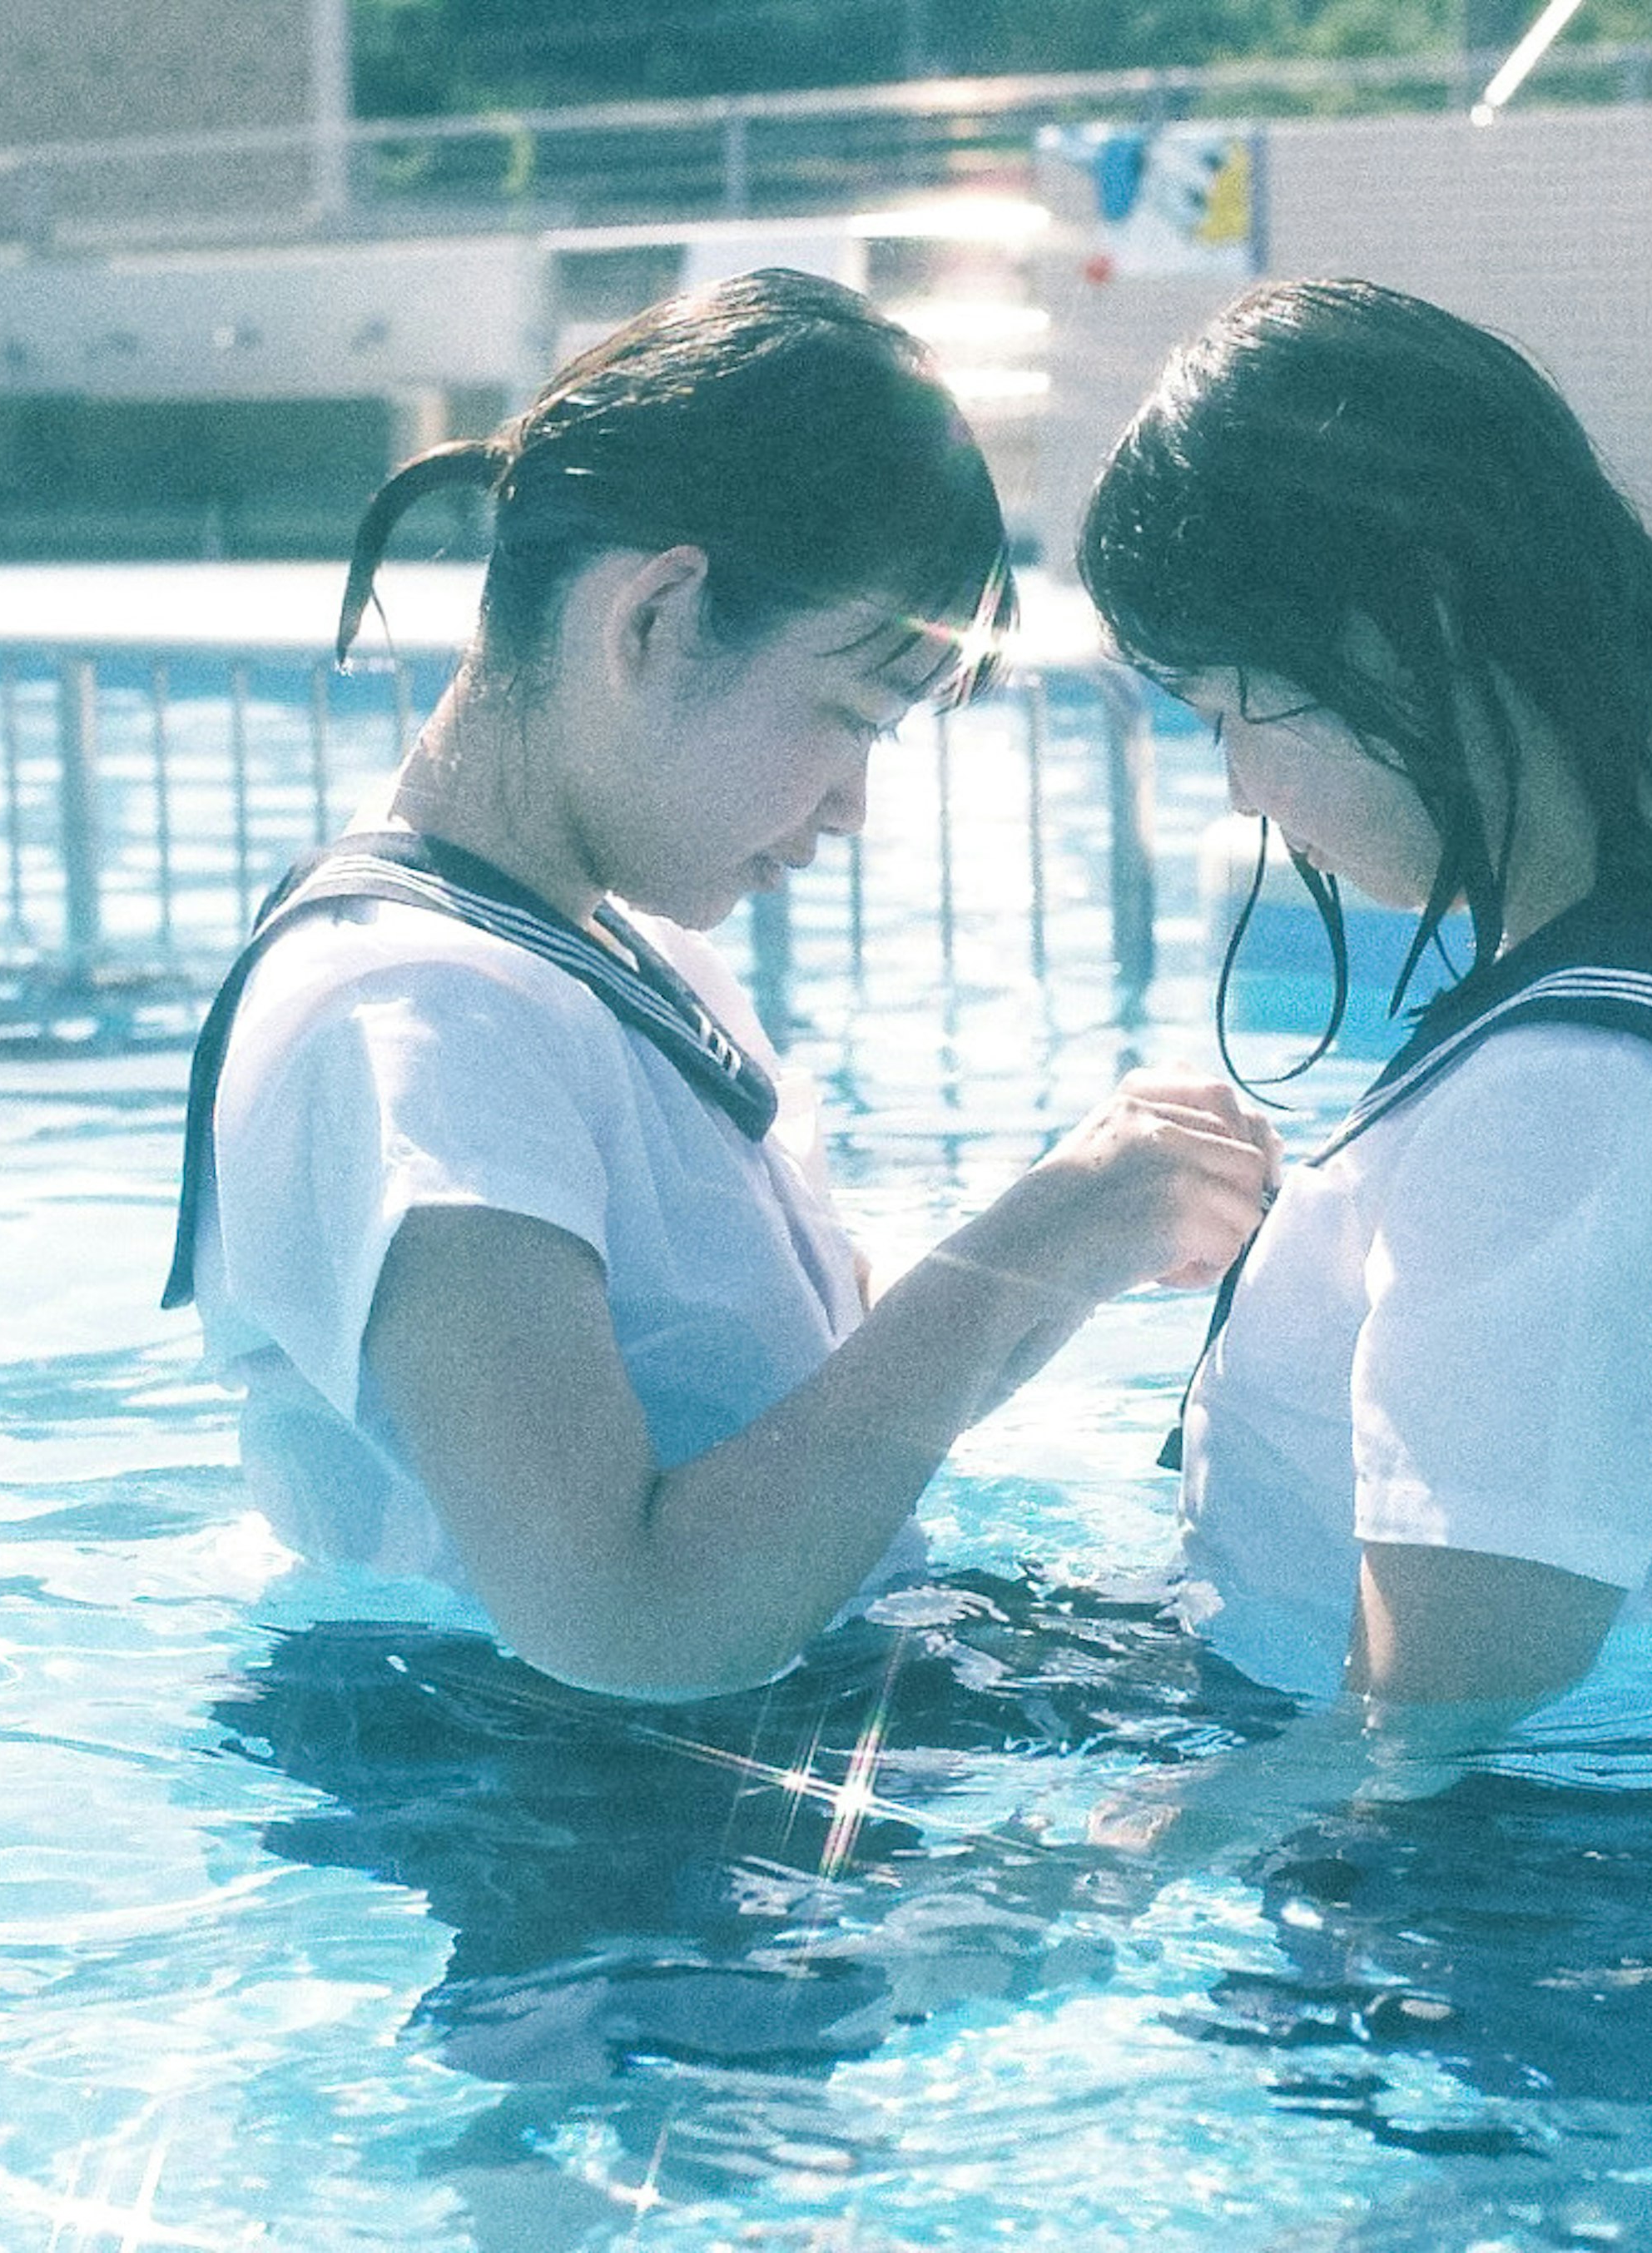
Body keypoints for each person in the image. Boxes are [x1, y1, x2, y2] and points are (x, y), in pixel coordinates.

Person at [166, 269, 1278, 1703]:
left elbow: (820, 1420)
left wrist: (1088, 1234)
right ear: (656, 619)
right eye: (844, 718)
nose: (851, 805)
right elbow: (624, 1623)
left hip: (733, 1789)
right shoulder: (414, 1020)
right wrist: (1036, 1238)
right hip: (595, 1851)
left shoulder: (621, 962)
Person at [1075, 278, 1652, 1721]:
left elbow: (1427, 1729)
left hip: (1482, 1918)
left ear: (1395, 633)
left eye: (1229, 710)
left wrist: (1048, 1886)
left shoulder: (1573, 1103)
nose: (1239, 787)